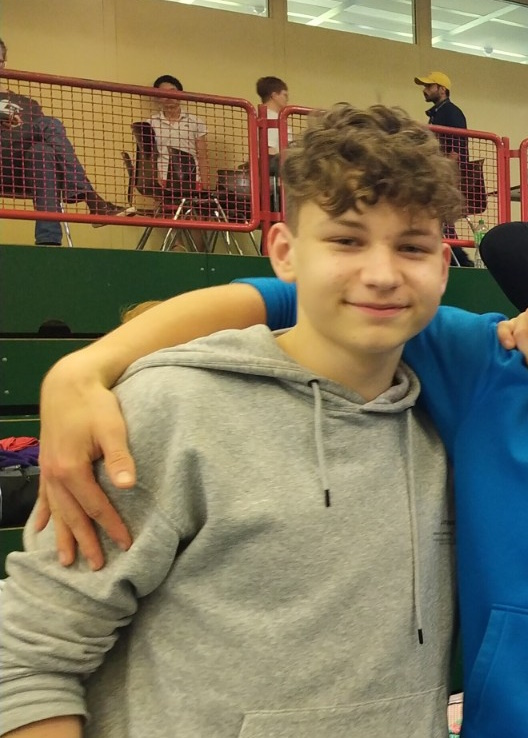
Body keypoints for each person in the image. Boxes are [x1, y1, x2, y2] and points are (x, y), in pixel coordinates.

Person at [1, 104, 462, 738]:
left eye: (411, 247)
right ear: (284, 252)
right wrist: (79, 367)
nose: (381, 275)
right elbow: (27, 663)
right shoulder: (171, 409)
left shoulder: (444, 422)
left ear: (443, 266)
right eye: (346, 239)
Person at [0, 39, 133, 246]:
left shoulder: (27, 103)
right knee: (50, 124)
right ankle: (91, 198)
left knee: (42, 151)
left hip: (23, 170)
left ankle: (49, 241)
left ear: (5, 63)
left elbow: (41, 135)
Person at [414, 71, 472, 267]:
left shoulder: (451, 112)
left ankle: (460, 263)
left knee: (443, 221)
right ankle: (458, 262)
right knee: (442, 222)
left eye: (429, 86)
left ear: (442, 89)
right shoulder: (437, 114)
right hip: (441, 175)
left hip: (447, 176)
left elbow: (457, 147)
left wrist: (446, 174)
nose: (425, 90)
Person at [148, 74, 210, 191]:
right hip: (163, 181)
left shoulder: (195, 122)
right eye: (163, 93)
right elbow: (149, 157)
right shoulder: (151, 123)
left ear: (180, 94)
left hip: (192, 181)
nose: (169, 96)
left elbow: (202, 157)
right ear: (157, 97)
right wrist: (155, 179)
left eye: (172, 91)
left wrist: (206, 188)